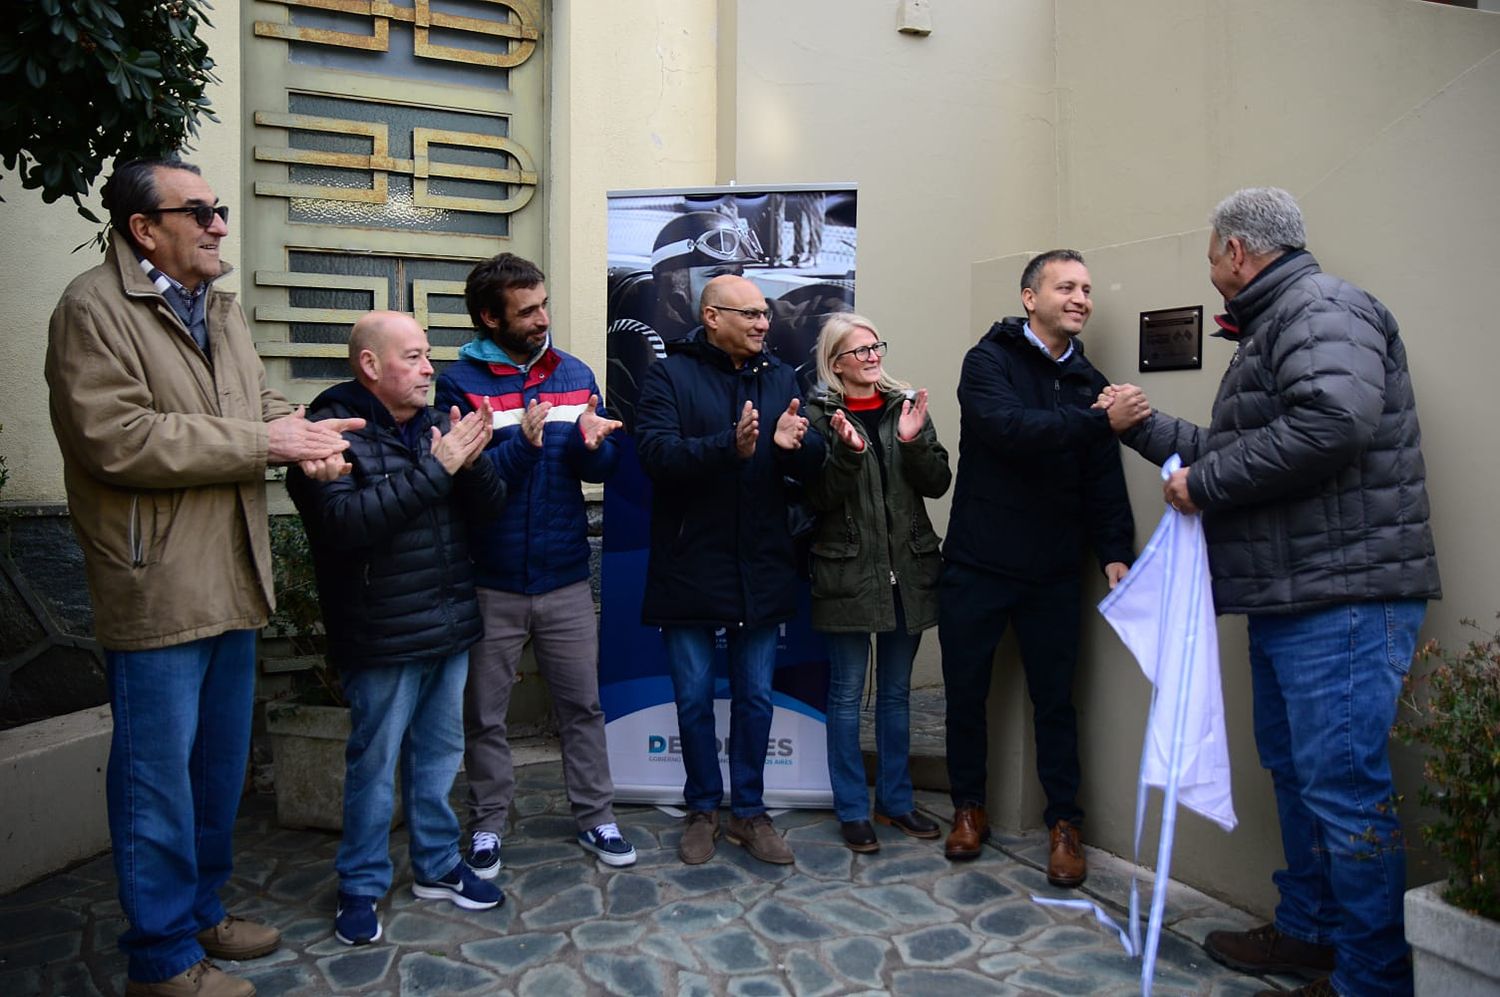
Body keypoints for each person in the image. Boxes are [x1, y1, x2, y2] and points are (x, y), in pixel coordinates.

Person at [1103, 187, 1440, 997]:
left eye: (1212, 253)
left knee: (1342, 790)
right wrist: (1147, 430)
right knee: (1300, 776)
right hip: (1303, 597)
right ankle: (1311, 934)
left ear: (1238, 253)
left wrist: (1205, 483)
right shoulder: (1283, 322)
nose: (1212, 267)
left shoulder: (1322, 307)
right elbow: (1251, 445)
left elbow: (1332, 423)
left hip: (1345, 599)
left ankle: (1371, 977)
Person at [45, 157, 361, 997]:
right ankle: (161, 960)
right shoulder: (91, 309)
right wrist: (269, 444)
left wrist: (312, 442)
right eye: (201, 211)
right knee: (156, 780)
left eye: (219, 209)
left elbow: (253, 410)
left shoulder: (219, 309)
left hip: (233, 571)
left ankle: (201, 911)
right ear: (144, 229)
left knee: (217, 770)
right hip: (157, 582)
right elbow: (117, 439)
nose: (221, 223)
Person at [286, 311, 507, 947]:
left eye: (427, 355)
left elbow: (487, 511)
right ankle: (360, 885)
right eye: (412, 357)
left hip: (449, 621)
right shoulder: (331, 433)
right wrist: (437, 469)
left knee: (440, 758)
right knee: (374, 764)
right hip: (379, 632)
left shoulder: (440, 423)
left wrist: (473, 461)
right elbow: (347, 527)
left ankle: (437, 865)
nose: (429, 367)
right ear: (370, 367)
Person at [938, 249, 1142, 886]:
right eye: (1066, 287)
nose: (1081, 298)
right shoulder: (987, 362)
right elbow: (1008, 429)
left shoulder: (1091, 383)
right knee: (967, 697)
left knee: (1056, 703)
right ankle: (969, 809)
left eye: (1086, 289)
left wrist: (1114, 552)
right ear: (1030, 297)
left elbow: (1103, 481)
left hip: (1053, 572)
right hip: (977, 562)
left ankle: (1065, 824)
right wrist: (1096, 421)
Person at [434, 253, 637, 875]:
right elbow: (470, 483)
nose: (543, 318)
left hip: (565, 575)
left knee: (583, 706)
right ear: (489, 317)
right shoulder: (458, 384)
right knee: (485, 714)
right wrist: (523, 446)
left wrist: (596, 450)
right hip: (490, 579)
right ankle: (488, 825)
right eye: (527, 311)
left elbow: (595, 470)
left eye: (544, 304)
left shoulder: (574, 373)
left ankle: (596, 816)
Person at [634, 274, 826, 866]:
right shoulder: (668, 374)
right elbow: (656, 456)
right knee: (692, 699)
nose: (763, 324)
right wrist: (730, 446)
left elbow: (810, 460)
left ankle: (749, 812)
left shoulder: (781, 377)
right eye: (749, 315)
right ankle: (701, 808)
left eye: (765, 314)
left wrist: (801, 445)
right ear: (712, 317)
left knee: (756, 699)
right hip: (691, 563)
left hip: (762, 563)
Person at [803, 313, 951, 853]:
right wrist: (848, 452)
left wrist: (911, 443)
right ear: (836, 362)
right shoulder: (820, 416)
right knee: (845, 696)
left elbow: (938, 482)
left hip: (907, 572)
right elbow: (815, 498)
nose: (872, 357)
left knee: (894, 695)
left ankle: (895, 802)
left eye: (875, 347)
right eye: (859, 351)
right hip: (845, 571)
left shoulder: (907, 407)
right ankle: (851, 809)